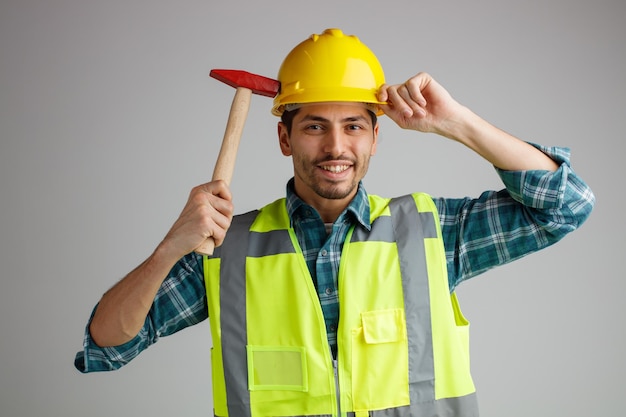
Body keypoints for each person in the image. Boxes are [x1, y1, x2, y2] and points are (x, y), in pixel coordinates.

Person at [75, 28, 594, 417]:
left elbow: (566, 204)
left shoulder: (434, 233)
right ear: (284, 139)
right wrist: (170, 248)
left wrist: (456, 122)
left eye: (353, 126)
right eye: (315, 126)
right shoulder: (225, 250)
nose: (336, 147)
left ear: (375, 137)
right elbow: (107, 347)